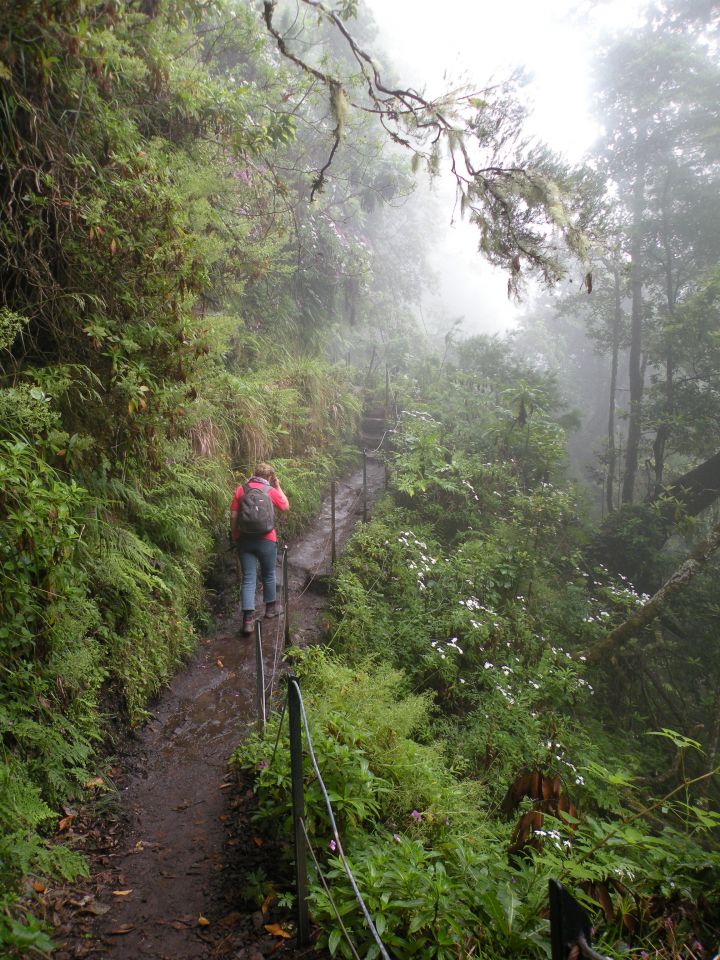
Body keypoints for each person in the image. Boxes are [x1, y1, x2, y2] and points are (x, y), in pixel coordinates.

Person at [230, 463, 290, 636]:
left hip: (245, 540)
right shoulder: (270, 491)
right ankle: (270, 609)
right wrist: (277, 486)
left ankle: (248, 620)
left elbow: (233, 515)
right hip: (267, 540)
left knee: (249, 578)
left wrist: (235, 535)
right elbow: (285, 506)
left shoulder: (241, 490)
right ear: (270, 477)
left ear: (254, 474)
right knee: (269, 574)